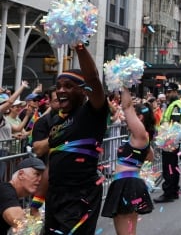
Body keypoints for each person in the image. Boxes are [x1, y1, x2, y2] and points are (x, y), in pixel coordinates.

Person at [42, 43, 109, 234]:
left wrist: (79, 46)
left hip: (80, 195)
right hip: (55, 196)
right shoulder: (56, 122)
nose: (61, 90)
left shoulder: (92, 112)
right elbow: (52, 162)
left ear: (83, 90)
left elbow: (93, 79)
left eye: (68, 86)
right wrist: (38, 200)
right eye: (59, 86)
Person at [100, 86, 156, 235]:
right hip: (126, 183)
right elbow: (151, 156)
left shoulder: (141, 134)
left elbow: (127, 106)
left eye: (132, 115)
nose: (125, 116)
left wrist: (124, 83)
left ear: (140, 118)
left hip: (128, 184)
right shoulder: (142, 137)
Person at [155, 84, 181, 203]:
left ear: (175, 91)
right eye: (166, 92)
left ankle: (168, 192)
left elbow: (174, 124)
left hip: (170, 140)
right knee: (173, 166)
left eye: (169, 92)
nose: (167, 95)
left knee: (168, 166)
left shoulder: (176, 105)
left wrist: (165, 138)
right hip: (172, 139)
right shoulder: (176, 104)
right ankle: (173, 191)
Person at [0, 157, 45, 233]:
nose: (40, 179)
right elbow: (22, 226)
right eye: (37, 174)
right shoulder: (4, 190)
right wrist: (36, 215)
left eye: (42, 176)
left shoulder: (10, 194)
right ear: (21, 174)